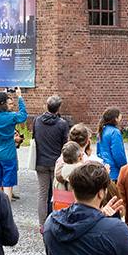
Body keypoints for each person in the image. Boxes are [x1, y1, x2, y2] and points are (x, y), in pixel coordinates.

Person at [33, 95, 75, 228]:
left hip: (40, 162)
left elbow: (35, 138)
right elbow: (66, 144)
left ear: (46, 105)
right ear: (58, 108)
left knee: (42, 194)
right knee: (57, 193)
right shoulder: (62, 124)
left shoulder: (37, 121)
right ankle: (56, 222)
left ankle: (42, 224)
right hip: (56, 163)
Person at [0, 89, 30, 197]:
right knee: (8, 184)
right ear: (5, 104)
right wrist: (20, 97)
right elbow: (23, 115)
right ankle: (6, 207)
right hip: (8, 153)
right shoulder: (11, 117)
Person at [96, 110, 128, 180]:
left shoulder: (101, 131)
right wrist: (125, 168)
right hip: (115, 172)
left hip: (105, 170)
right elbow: (118, 154)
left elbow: (98, 152)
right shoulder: (115, 132)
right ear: (116, 118)